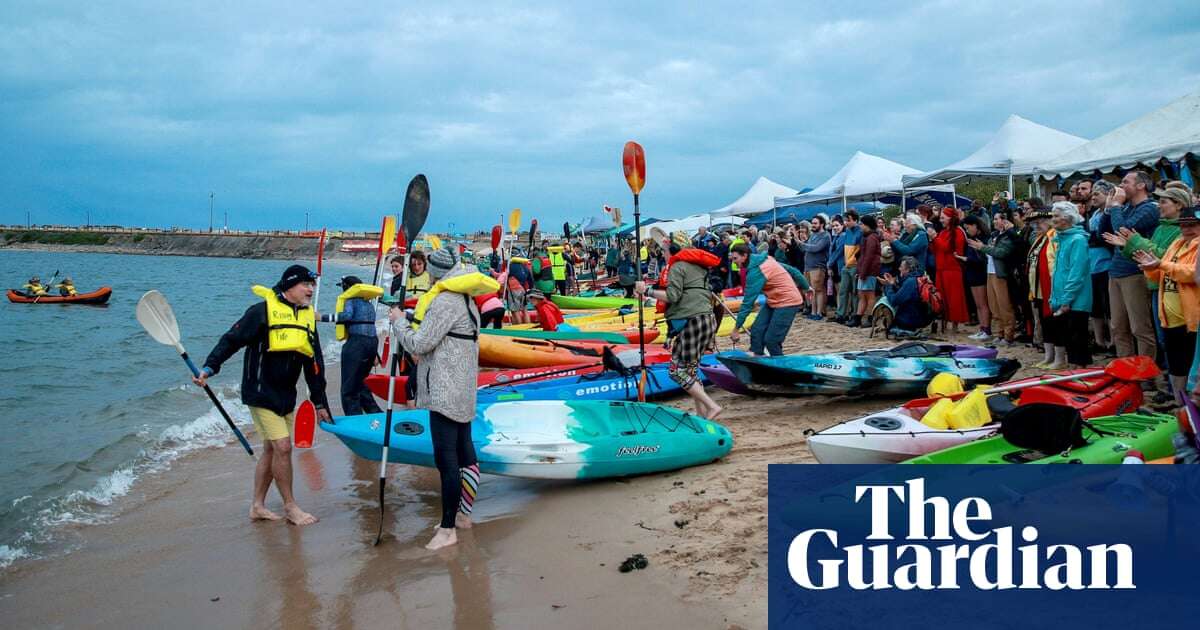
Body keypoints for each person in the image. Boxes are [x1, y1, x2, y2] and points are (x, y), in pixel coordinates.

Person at [195, 265, 331, 526]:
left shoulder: (305, 317)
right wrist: (209, 367)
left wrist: (319, 401)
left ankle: (257, 506)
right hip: (260, 391)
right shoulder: (261, 312)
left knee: (271, 450)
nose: (311, 289)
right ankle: (291, 507)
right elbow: (231, 340)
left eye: (312, 284)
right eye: (306, 284)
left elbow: (314, 364)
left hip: (285, 395)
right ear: (290, 286)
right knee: (283, 447)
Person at [388, 248, 483, 550]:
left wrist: (398, 321)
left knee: (448, 461)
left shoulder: (446, 300)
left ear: (435, 272)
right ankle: (463, 517)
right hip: (464, 385)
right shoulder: (467, 298)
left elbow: (419, 342)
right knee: (465, 453)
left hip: (445, 388)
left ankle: (447, 529)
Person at [635, 243, 723, 419]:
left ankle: (712, 406)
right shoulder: (698, 266)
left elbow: (672, 296)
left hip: (692, 322)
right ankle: (701, 414)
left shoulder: (677, 267)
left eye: (664, 252)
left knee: (677, 371)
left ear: (671, 253)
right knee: (690, 370)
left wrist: (647, 291)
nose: (663, 255)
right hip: (707, 319)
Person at [1134, 206, 1200, 400]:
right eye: (1183, 225)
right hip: (1169, 316)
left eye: (1192, 225)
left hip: (1191, 319)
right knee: (1175, 363)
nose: (1187, 229)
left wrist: (1161, 264)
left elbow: (1191, 273)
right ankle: (1180, 404)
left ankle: (1191, 407)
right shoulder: (1177, 243)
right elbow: (1161, 273)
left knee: (1190, 365)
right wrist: (1149, 267)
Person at [1102, 171, 1160, 364]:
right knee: (1118, 326)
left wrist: (1117, 206)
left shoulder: (1150, 208)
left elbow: (1123, 231)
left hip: (1135, 272)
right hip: (1116, 271)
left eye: (1126, 182)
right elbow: (1102, 232)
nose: (1121, 185)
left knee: (1140, 328)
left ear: (1141, 185)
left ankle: (1146, 375)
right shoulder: (1125, 208)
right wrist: (1109, 208)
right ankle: (1124, 370)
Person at [728, 242, 812, 355]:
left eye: (735, 258)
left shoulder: (756, 271)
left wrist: (736, 329)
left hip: (788, 302)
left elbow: (747, 303)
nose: (733, 261)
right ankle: (757, 357)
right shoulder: (764, 259)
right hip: (774, 300)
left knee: (771, 340)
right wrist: (807, 287)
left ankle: (780, 367)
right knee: (757, 331)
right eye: (732, 258)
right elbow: (793, 271)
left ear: (745, 256)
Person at [321, 276, 383, 416]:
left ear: (347, 288)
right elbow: (369, 326)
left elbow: (347, 316)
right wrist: (375, 354)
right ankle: (376, 415)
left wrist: (322, 317)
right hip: (372, 343)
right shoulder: (368, 303)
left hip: (357, 344)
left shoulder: (350, 300)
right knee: (361, 383)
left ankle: (354, 418)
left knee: (349, 388)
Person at [1047, 203, 1093, 369]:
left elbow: (1077, 273)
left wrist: (1066, 299)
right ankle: (1074, 372)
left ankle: (1080, 373)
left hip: (1076, 301)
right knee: (1068, 338)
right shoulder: (1063, 239)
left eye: (1056, 216)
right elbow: (1060, 272)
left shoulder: (1077, 240)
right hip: (1065, 298)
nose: (1053, 220)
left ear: (1067, 218)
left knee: (1077, 339)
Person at [967, 210, 1020, 346]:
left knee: (1004, 305)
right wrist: (982, 248)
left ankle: (1008, 336)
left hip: (1001, 274)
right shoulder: (995, 235)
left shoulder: (1008, 236)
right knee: (994, 306)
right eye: (994, 219)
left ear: (1006, 221)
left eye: (998, 219)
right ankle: (1000, 333)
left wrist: (982, 247)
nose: (995, 221)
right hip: (990, 272)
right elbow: (990, 251)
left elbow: (1001, 253)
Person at [927, 207, 969, 333]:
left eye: (943, 218)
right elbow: (936, 250)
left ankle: (955, 326)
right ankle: (944, 325)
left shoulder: (957, 232)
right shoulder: (944, 232)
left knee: (954, 299)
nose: (941, 220)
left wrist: (935, 237)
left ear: (951, 218)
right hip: (941, 269)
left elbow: (946, 248)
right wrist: (932, 240)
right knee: (942, 299)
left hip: (952, 269)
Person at [1026, 210, 1058, 366]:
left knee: (1052, 323)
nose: (1036, 226)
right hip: (1037, 288)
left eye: (1040, 222)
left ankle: (1057, 357)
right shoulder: (1039, 239)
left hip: (1050, 287)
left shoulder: (1053, 237)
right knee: (1044, 323)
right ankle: (1048, 355)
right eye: (1034, 223)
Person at [1085, 180, 1115, 353]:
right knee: (1095, 306)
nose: (1093, 197)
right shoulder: (1095, 214)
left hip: (1107, 265)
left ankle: (1113, 341)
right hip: (1092, 266)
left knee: (1109, 307)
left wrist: (1095, 238)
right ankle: (1099, 340)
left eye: (1097, 194)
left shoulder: (1110, 214)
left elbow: (1104, 237)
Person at [880, 257, 931, 334]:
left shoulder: (910, 281)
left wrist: (888, 286)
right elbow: (903, 294)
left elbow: (894, 301)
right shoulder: (918, 277)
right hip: (920, 317)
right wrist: (893, 284)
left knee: (891, 329)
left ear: (907, 270)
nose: (899, 268)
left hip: (911, 320)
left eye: (901, 267)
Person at [961, 215, 991, 341]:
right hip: (972, 273)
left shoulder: (983, 239)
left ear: (975, 226)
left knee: (982, 304)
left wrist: (966, 259)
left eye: (968, 228)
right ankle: (981, 328)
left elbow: (982, 259)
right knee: (978, 304)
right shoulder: (971, 238)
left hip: (979, 273)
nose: (967, 231)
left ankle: (986, 329)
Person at [853, 215, 882, 328]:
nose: (860, 226)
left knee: (869, 296)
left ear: (867, 225)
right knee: (862, 294)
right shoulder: (868, 237)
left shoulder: (872, 238)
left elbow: (868, 257)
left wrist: (863, 272)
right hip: (865, 270)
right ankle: (858, 318)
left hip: (869, 271)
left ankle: (871, 318)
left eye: (862, 224)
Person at [835, 210, 862, 324]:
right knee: (843, 290)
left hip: (855, 265)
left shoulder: (860, 232)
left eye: (848, 220)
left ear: (855, 220)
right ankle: (841, 314)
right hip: (846, 265)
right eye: (845, 220)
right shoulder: (847, 231)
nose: (846, 223)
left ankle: (854, 315)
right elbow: (842, 249)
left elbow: (860, 251)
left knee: (855, 292)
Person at [803, 215, 831, 320]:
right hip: (808, 267)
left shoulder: (825, 235)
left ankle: (819, 313)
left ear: (821, 224)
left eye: (815, 223)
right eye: (812, 223)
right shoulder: (813, 235)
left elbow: (816, 248)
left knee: (818, 290)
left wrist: (802, 243)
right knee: (811, 290)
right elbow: (807, 248)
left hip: (818, 267)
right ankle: (813, 312)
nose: (813, 225)